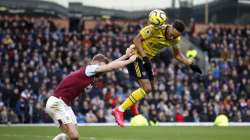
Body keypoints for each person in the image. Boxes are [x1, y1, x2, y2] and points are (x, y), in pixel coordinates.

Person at [112, 19, 202, 127]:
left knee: (151, 87)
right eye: (172, 34)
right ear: (171, 27)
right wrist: (144, 56)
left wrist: (191, 64)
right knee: (147, 88)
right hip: (135, 57)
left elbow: (177, 55)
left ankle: (132, 104)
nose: (172, 38)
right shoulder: (156, 28)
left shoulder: (175, 39)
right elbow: (136, 40)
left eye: (175, 36)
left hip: (145, 60)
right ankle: (119, 110)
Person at [45, 47, 136, 140]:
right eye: (102, 66)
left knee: (72, 137)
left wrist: (126, 56)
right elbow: (111, 66)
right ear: (97, 63)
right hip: (57, 102)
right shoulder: (89, 69)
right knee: (73, 135)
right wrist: (129, 61)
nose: (103, 70)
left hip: (65, 105)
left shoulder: (90, 73)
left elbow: (111, 66)